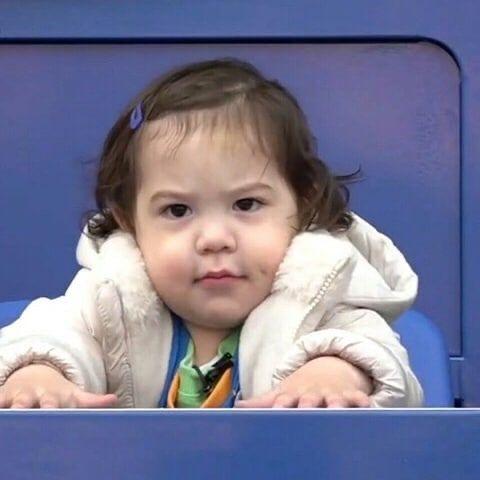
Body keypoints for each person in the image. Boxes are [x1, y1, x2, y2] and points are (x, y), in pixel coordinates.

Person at [0, 58, 423, 409]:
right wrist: (38, 375)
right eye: (177, 210)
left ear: (303, 202)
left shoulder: (327, 298)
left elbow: (378, 358)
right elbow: (47, 337)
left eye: (246, 204)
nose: (214, 238)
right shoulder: (107, 301)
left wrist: (335, 374)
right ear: (129, 222)